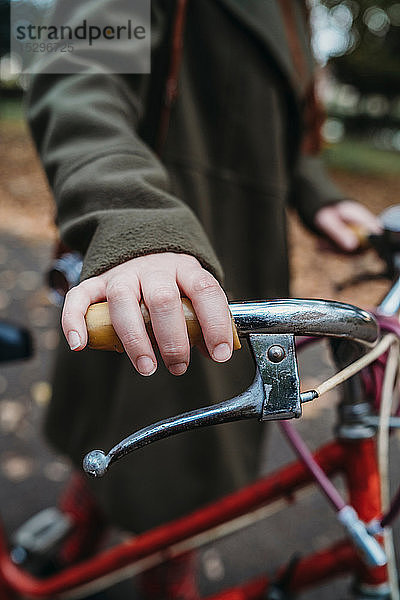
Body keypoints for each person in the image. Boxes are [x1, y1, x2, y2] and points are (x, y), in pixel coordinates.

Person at [27, 0, 381, 596]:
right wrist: (135, 220)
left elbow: (276, 123)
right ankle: (116, 545)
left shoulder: (293, 10)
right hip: (158, 260)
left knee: (174, 453)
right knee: (163, 458)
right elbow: (76, 69)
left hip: (243, 253)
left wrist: (316, 193)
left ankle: (101, 532)